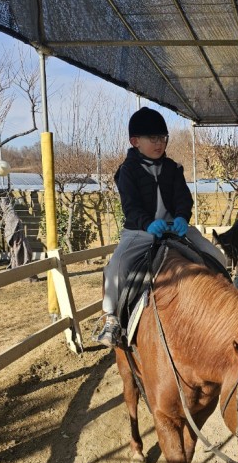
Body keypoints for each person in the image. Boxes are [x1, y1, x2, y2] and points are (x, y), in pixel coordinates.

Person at [96, 107, 226, 347]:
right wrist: (147, 223)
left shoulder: (173, 168)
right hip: (140, 232)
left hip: (176, 229)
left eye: (163, 138)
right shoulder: (127, 171)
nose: (159, 143)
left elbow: (183, 199)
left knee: (216, 256)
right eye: (153, 138)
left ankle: (226, 304)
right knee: (117, 267)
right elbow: (130, 206)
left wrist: (182, 217)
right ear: (135, 141)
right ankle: (110, 318)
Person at [0, 196, 37, 282]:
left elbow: (13, 227)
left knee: (21, 255)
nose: (2, 207)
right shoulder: (7, 214)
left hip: (18, 240)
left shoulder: (11, 214)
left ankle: (25, 276)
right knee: (17, 255)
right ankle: (18, 274)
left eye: (3, 204)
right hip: (15, 241)